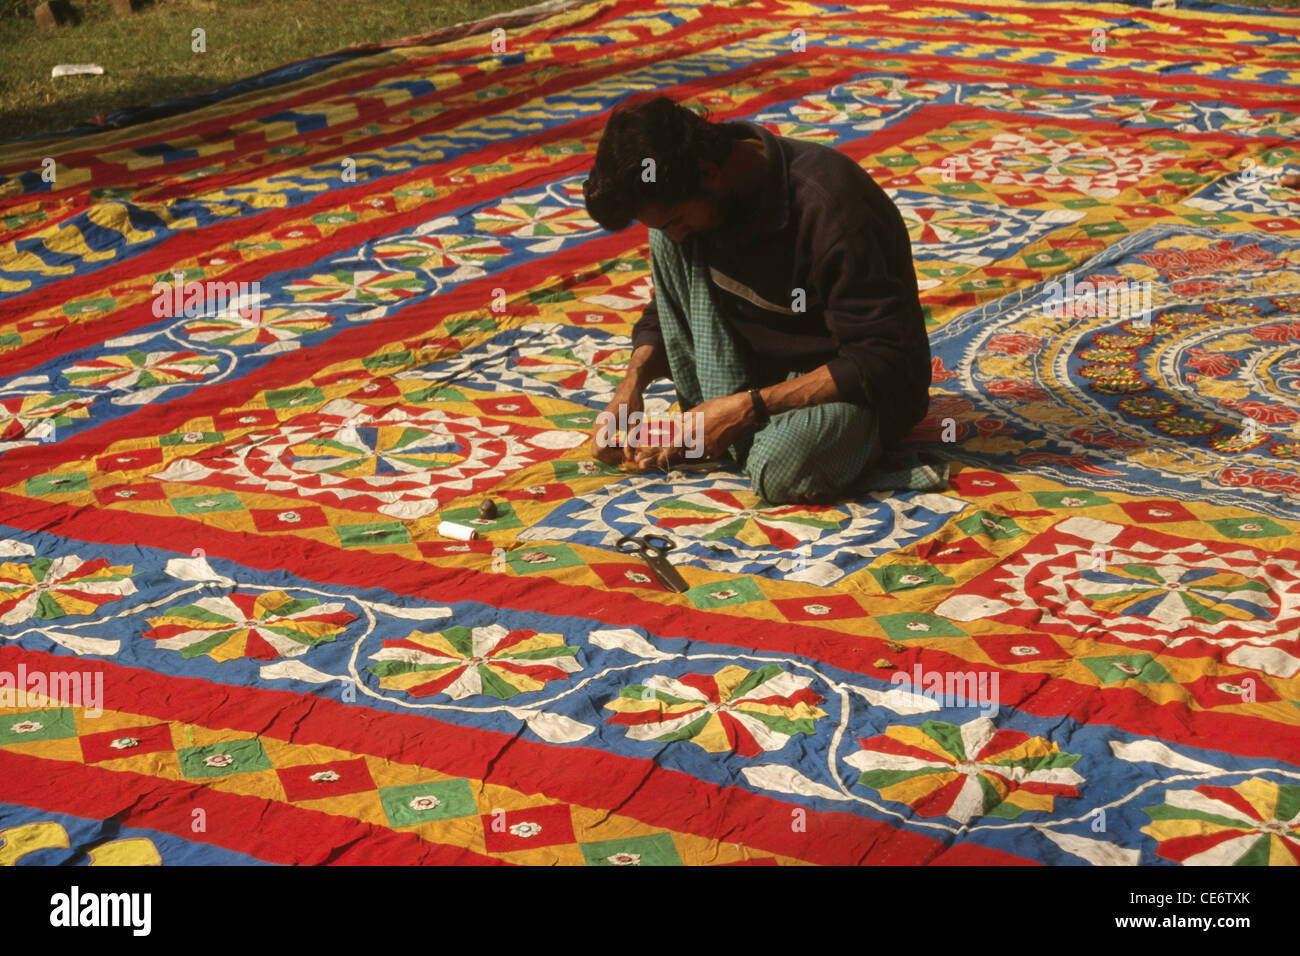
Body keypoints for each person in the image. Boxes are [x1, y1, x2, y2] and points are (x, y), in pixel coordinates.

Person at [581, 95, 933, 505]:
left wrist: (743, 410)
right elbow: (672, 308)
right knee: (665, 239)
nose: (676, 234)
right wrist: (631, 385)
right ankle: (727, 425)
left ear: (710, 174)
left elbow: (881, 359)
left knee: (777, 469)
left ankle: (769, 435)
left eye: (677, 219)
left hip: (859, 390)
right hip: (758, 380)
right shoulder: (692, 213)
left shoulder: (832, 209)